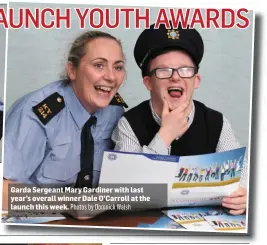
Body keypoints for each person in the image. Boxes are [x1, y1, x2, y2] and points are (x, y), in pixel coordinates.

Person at [112, 22, 247, 215]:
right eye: (164, 71)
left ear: (196, 80)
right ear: (148, 82)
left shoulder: (217, 123)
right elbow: (125, 195)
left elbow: (243, 177)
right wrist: (164, 136)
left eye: (185, 70)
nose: (176, 78)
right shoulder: (128, 125)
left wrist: (244, 196)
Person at [3, 30, 127, 218]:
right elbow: (3, 190)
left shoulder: (114, 110)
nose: (111, 77)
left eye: (118, 67)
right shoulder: (36, 114)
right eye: (99, 65)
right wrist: (66, 203)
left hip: (92, 224)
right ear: (72, 70)